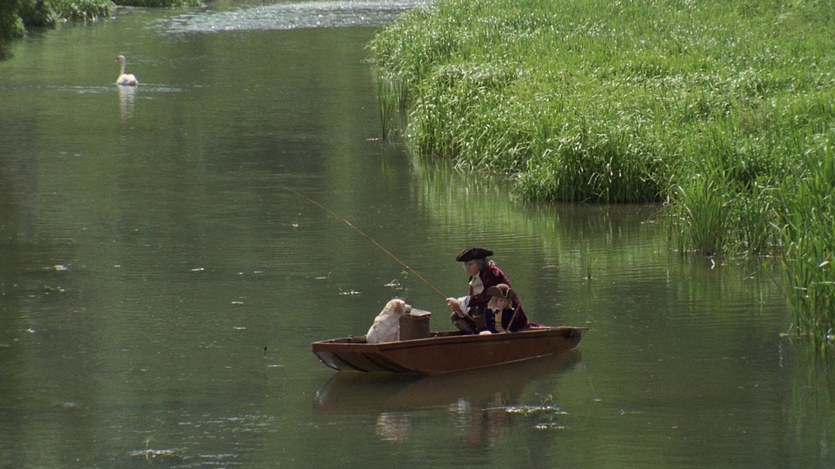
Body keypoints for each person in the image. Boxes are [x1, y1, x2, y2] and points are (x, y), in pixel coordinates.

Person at [446, 247, 531, 333]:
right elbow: (474, 299)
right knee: (456, 316)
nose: (467, 268)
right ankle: (473, 336)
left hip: (505, 313)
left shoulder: (492, 273)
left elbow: (487, 297)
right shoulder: (474, 277)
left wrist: (460, 302)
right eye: (465, 265)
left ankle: (482, 336)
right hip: (487, 312)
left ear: (480, 264)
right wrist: (460, 308)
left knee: (479, 310)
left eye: (470, 264)